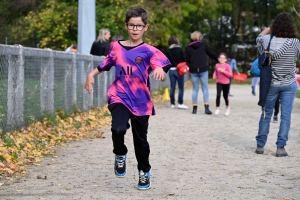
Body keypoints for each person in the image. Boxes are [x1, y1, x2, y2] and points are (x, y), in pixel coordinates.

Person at [84, 6, 171, 190]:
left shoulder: (149, 51)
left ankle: (144, 172)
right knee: (118, 129)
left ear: (145, 27)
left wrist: (159, 70)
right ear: (126, 26)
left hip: (141, 102)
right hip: (119, 95)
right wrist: (91, 75)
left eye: (139, 26)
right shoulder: (116, 47)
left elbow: (162, 68)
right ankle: (120, 153)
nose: (135, 29)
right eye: (132, 25)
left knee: (141, 142)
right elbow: (105, 64)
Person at [255, 12, 300, 157]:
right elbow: (295, 57)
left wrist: (269, 27)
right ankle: (281, 148)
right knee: (286, 116)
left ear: (275, 25)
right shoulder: (295, 42)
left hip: (271, 84)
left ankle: (260, 146)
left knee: (266, 115)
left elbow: (259, 37)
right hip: (289, 84)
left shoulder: (266, 40)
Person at [185, 31, 218, 114]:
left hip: (193, 70)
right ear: (200, 37)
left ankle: (194, 108)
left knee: (195, 89)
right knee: (205, 88)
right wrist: (219, 59)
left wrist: (192, 61)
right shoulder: (203, 45)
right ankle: (206, 108)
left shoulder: (188, 47)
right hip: (203, 69)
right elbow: (210, 53)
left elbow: (186, 58)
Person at [165, 36, 188, 109]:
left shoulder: (168, 51)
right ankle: (180, 103)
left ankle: (172, 103)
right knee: (181, 87)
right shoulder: (179, 49)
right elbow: (184, 59)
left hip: (171, 70)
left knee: (172, 87)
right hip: (179, 70)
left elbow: (166, 61)